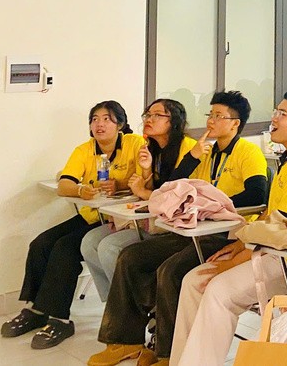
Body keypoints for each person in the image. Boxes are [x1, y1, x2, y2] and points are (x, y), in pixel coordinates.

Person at [89, 91, 268, 366]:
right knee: (130, 257)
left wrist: (215, 206)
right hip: (193, 228)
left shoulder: (248, 152)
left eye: (219, 116)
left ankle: (167, 352)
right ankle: (125, 341)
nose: (211, 120)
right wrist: (193, 158)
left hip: (226, 234)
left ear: (235, 123)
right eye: (210, 114)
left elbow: (257, 194)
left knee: (170, 271)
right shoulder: (206, 152)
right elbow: (172, 187)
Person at [169, 89, 287, 366]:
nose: (274, 118)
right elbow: (269, 218)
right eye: (276, 111)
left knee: (217, 290)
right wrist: (239, 246)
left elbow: (280, 233)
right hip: (266, 249)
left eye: (282, 113)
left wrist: (233, 263)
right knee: (193, 280)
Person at [2, 101, 144, 349]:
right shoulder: (84, 150)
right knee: (41, 243)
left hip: (116, 220)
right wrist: (80, 190)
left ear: (120, 124)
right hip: (91, 215)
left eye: (107, 119)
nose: (99, 124)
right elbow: (64, 184)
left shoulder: (135, 144)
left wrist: (119, 185)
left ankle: (60, 319)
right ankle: (36, 310)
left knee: (65, 249)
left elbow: (145, 179)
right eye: (94, 119)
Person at [80, 99, 196, 301]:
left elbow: (173, 195)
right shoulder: (149, 148)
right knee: (89, 242)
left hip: (174, 223)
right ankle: (115, 305)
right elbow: (143, 187)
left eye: (157, 115)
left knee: (109, 247)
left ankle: (134, 306)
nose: (149, 119)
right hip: (151, 217)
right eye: (147, 115)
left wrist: (142, 190)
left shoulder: (189, 148)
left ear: (174, 121)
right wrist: (145, 172)